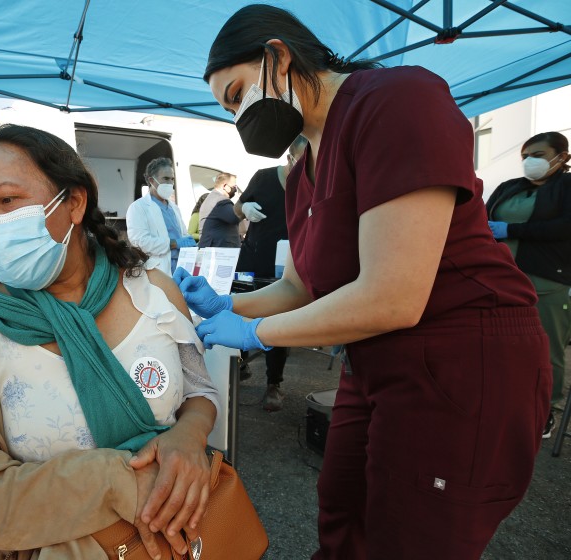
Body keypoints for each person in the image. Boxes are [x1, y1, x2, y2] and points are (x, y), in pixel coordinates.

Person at [174, 4, 551, 559]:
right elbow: (300, 289)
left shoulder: (397, 100)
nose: (238, 118)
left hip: (461, 357)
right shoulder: (304, 169)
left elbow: (393, 295)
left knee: (413, 536)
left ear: (278, 57)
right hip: (376, 362)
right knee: (343, 513)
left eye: (236, 95)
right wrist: (226, 304)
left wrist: (259, 335)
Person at [0, 124, 219, 559]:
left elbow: (199, 390)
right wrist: (114, 481)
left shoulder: (155, 292)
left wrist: (189, 435)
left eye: (7, 201)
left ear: (75, 202)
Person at [487, 131, 571, 438]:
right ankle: (506, 400)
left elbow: (564, 227)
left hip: (546, 280)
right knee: (501, 343)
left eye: (537, 155)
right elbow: (483, 217)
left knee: (547, 349)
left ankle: (545, 410)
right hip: (503, 277)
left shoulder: (566, 187)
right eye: (525, 156)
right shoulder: (510, 188)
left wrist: (512, 228)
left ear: (561, 157)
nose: (529, 162)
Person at [234, 140, 306, 411]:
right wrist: (246, 210)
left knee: (279, 321)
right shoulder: (263, 178)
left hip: (285, 267)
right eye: (301, 160)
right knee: (240, 312)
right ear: (289, 157)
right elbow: (235, 209)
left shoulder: (311, 183)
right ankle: (238, 366)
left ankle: (273, 384)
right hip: (251, 259)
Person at [126, 157, 195, 275]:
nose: (170, 183)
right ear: (152, 181)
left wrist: (188, 240)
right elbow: (140, 242)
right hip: (158, 269)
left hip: (181, 265)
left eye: (172, 179)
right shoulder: (138, 207)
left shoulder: (174, 208)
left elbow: (182, 234)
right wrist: (174, 243)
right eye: (166, 179)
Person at [197, 172, 241, 248]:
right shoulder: (221, 200)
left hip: (211, 248)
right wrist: (244, 205)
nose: (235, 190)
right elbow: (235, 217)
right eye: (234, 186)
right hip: (219, 252)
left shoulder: (211, 198)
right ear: (224, 186)